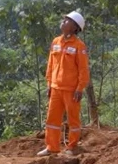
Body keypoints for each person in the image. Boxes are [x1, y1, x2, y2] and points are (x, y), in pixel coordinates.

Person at [38, 11, 90, 156]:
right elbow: (50, 64)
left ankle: (72, 147)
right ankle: (52, 147)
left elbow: (83, 69)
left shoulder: (79, 46)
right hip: (55, 88)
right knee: (52, 119)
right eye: (64, 19)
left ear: (74, 27)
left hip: (71, 90)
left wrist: (80, 88)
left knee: (73, 120)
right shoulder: (56, 42)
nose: (63, 22)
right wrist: (49, 83)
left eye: (67, 20)